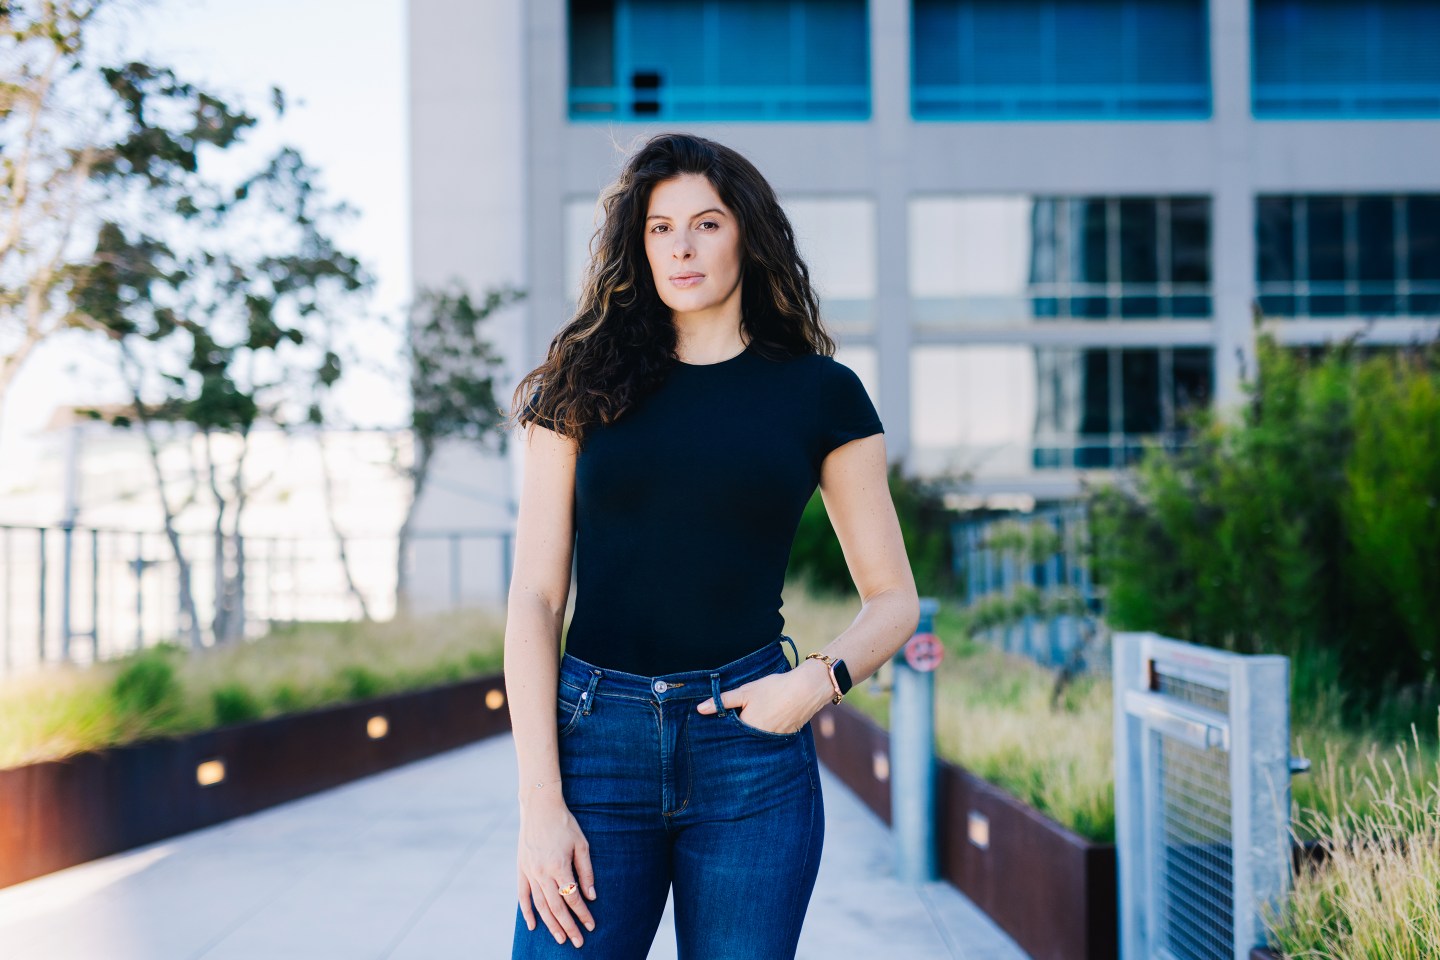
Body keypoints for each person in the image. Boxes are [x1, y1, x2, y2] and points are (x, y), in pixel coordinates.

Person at [503, 131, 920, 959]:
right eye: (660, 228)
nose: (681, 247)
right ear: (638, 244)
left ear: (747, 235)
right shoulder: (580, 380)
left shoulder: (820, 395)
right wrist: (539, 805)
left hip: (751, 753)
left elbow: (893, 598)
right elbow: (537, 599)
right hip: (596, 742)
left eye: (706, 223)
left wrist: (815, 686)